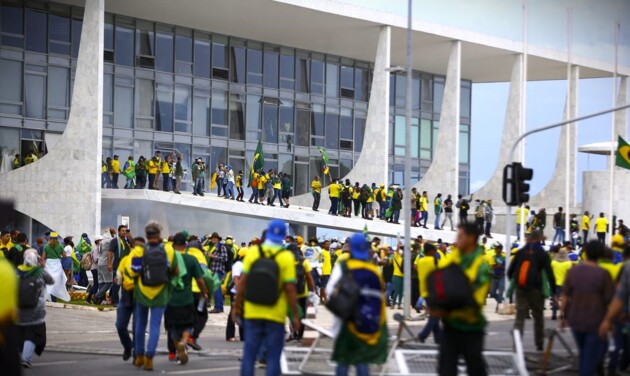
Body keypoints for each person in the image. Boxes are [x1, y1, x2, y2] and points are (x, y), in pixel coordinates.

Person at [233, 219, 299, 376]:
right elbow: (290, 288)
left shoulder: (253, 252)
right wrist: (295, 314)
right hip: (275, 313)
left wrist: (236, 306)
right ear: (284, 236)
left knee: (249, 354)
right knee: (274, 356)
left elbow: (242, 282)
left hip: (252, 310)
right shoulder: (286, 257)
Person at [326, 233, 388, 376]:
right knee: (362, 361)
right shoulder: (373, 271)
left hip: (346, 321)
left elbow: (330, 291)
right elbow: (381, 298)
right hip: (366, 322)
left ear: (351, 248)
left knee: (343, 359)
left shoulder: (344, 267)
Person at [436, 223, 491, 376]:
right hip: (450, 326)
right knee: (445, 369)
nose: (456, 239)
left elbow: (475, 298)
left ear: (471, 238)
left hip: (471, 327)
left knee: (475, 368)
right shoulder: (452, 259)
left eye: (460, 236)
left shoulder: (480, 266)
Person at [126, 221, 179, 371]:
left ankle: (139, 356)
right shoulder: (168, 250)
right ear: (159, 235)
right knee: (155, 325)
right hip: (161, 293)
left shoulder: (138, 251)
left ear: (146, 235)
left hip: (142, 292)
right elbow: (176, 271)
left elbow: (132, 272)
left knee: (140, 324)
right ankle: (149, 358)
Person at [561, 241, 614, 376]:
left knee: (584, 353)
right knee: (589, 356)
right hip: (595, 321)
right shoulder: (603, 274)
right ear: (601, 255)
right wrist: (609, 321)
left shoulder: (573, 271)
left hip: (575, 319)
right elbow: (609, 301)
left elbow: (565, 296)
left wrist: (562, 316)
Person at [508, 230, 556, 351]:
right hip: (536, 289)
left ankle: (516, 346)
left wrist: (516, 285)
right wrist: (553, 292)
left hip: (521, 289)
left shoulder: (520, 252)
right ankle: (539, 344)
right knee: (538, 317)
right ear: (539, 239)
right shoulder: (542, 253)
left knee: (520, 318)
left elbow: (510, 271)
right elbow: (550, 274)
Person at [166, 233, 208, 365]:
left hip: (171, 300)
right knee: (187, 325)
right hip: (187, 299)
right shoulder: (191, 260)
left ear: (173, 245)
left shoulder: (169, 260)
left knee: (173, 328)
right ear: (185, 245)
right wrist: (204, 293)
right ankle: (183, 343)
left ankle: (177, 348)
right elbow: (200, 280)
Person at [17, 249, 54, 368]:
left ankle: (15, 357)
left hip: (19, 310)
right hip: (36, 312)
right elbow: (51, 280)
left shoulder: (18, 272)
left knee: (20, 334)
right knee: (32, 335)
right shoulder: (40, 272)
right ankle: (25, 358)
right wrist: (43, 266)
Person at [115, 239, 138, 362]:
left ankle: (137, 354)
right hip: (126, 296)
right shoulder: (125, 261)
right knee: (120, 325)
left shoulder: (146, 261)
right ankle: (128, 347)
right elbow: (118, 278)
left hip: (140, 297)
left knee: (137, 327)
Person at [416, 243, 441, 343]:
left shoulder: (420, 261)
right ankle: (423, 335)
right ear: (430, 251)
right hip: (434, 292)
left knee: (435, 315)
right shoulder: (435, 261)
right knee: (435, 316)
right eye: (434, 251)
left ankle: (438, 338)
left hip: (424, 291)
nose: (435, 253)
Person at [42, 233, 70, 302]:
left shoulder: (46, 246)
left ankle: (48, 297)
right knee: (56, 282)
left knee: (48, 281)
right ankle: (54, 298)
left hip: (48, 264)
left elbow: (43, 257)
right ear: (57, 238)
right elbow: (64, 256)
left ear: (50, 238)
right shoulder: (60, 246)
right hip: (57, 264)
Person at [108, 225, 132, 306]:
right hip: (117, 265)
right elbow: (110, 252)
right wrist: (109, 264)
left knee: (125, 285)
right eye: (122, 231)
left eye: (125, 231)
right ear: (118, 232)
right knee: (116, 284)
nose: (124, 232)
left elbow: (135, 245)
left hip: (127, 266)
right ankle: (115, 301)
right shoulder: (115, 241)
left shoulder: (128, 241)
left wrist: (129, 236)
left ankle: (124, 301)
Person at [227, 247, 247, 342]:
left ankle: (243, 336)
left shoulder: (246, 264)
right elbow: (236, 278)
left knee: (243, 314)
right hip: (236, 292)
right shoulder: (238, 265)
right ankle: (230, 335)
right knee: (233, 313)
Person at [206, 232, 228, 313]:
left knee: (216, 289)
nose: (213, 239)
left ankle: (217, 307)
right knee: (217, 289)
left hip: (218, 270)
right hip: (215, 270)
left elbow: (225, 258)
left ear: (218, 239)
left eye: (215, 238)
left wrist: (213, 256)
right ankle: (219, 307)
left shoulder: (221, 246)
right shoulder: (215, 247)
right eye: (212, 238)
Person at [550, 248, 572, 320]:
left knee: (555, 298)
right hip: (565, 283)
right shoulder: (568, 263)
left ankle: (554, 314)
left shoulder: (554, 262)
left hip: (555, 283)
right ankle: (565, 314)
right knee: (566, 299)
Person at [93, 230, 114, 305]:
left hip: (100, 263)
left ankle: (100, 300)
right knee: (109, 282)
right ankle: (97, 296)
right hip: (105, 263)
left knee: (101, 281)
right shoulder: (109, 241)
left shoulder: (101, 243)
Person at [85, 235, 103, 304]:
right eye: (100, 240)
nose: (102, 242)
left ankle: (90, 298)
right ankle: (91, 298)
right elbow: (95, 259)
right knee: (96, 284)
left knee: (96, 284)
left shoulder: (97, 248)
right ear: (97, 241)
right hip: (95, 268)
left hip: (95, 268)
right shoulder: (96, 249)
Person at [488, 244, 506, 312]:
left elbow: (507, 267)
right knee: (492, 293)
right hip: (494, 277)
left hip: (502, 277)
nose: (495, 250)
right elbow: (491, 267)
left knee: (500, 292)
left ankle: (498, 306)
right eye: (495, 249)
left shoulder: (504, 257)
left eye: (497, 249)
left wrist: (500, 266)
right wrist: (497, 266)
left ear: (500, 249)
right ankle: (501, 300)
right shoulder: (493, 257)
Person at [391, 242, 404, 309]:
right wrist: (398, 245)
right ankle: (393, 304)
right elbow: (397, 250)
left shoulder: (402, 258)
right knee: (397, 290)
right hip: (396, 276)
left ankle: (399, 305)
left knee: (401, 291)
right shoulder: (396, 257)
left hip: (402, 276)